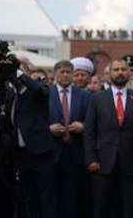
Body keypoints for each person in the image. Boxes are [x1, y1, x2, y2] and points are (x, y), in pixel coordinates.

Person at [84, 58, 133, 218]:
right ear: (109, 74)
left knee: (130, 209)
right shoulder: (97, 99)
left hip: (132, 165)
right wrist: (92, 159)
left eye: (123, 69)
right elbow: (90, 131)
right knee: (102, 207)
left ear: (129, 73)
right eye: (116, 70)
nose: (120, 73)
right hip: (103, 164)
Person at [11, 55, 56, 218]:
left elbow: (39, 90)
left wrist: (21, 73)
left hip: (41, 152)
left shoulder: (39, 88)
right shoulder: (15, 92)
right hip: (21, 154)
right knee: (27, 198)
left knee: (45, 199)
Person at [48, 60, 90, 218]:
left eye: (68, 72)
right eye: (62, 72)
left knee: (73, 197)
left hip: (76, 153)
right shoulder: (46, 94)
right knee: (52, 195)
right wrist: (48, 130)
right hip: (51, 153)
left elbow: (93, 121)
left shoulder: (85, 96)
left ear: (72, 74)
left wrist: (83, 126)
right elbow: (37, 121)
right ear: (55, 74)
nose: (65, 75)